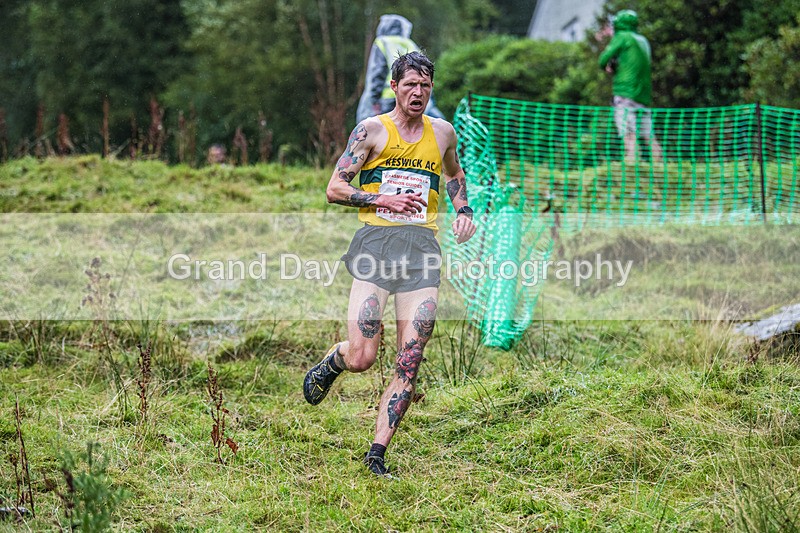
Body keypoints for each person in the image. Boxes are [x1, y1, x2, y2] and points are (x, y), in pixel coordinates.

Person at [304, 51, 476, 477]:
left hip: (422, 250)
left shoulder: (443, 133)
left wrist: (465, 210)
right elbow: (334, 187)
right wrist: (381, 198)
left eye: (425, 85)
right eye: (410, 85)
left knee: (411, 355)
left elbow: (453, 173)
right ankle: (335, 361)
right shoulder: (371, 132)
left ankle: (377, 455)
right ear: (395, 87)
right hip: (376, 245)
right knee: (364, 354)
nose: (418, 93)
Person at [598, 10, 663, 164]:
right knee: (648, 134)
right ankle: (660, 169)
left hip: (625, 92)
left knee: (628, 133)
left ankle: (631, 167)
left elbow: (602, 60)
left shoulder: (622, 37)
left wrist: (610, 65)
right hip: (643, 94)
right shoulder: (643, 41)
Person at [356, 14, 445, 123]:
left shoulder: (382, 42)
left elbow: (376, 74)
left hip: (388, 97)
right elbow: (425, 72)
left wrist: (373, 101)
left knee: (387, 132)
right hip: (411, 95)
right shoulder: (410, 44)